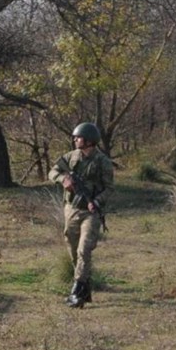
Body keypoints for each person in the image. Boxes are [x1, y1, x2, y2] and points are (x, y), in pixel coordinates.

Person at [49, 122, 114, 308]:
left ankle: (76, 292)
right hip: (71, 209)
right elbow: (52, 171)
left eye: (78, 137)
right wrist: (63, 180)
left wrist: (97, 201)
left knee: (84, 250)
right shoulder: (70, 157)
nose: (75, 140)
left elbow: (110, 188)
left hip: (91, 213)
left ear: (89, 141)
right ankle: (85, 289)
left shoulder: (103, 162)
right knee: (72, 248)